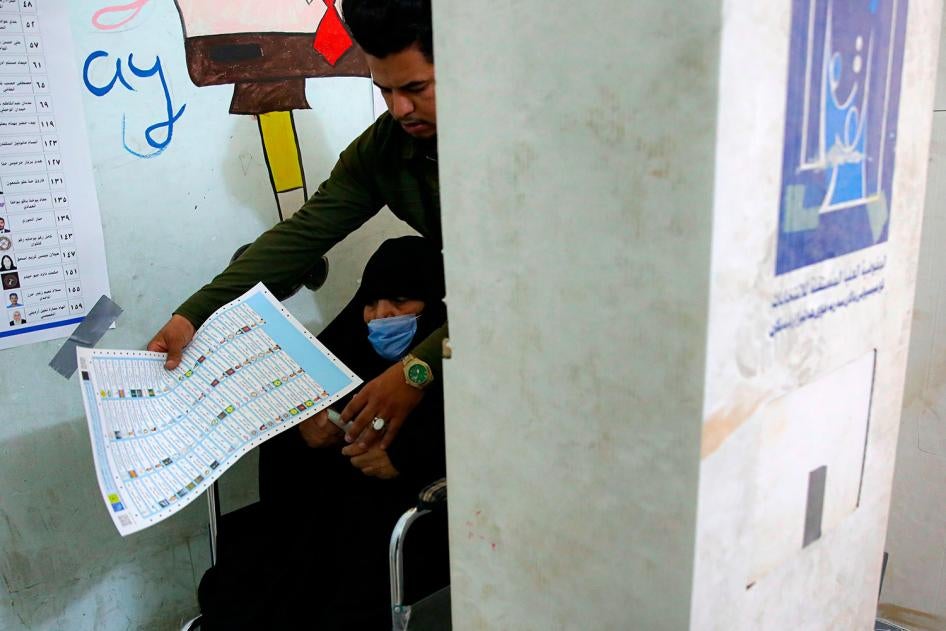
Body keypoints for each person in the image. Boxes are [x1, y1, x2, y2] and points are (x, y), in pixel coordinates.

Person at [148, 0, 443, 453]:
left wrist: (417, 369)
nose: (400, 108)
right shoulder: (385, 146)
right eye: (384, 90)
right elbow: (301, 237)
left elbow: (526, 291)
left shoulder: (519, 146)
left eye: (416, 87)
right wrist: (192, 315)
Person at [197, 236, 448, 630]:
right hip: (319, 523)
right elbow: (286, 436)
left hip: (408, 527)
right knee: (246, 576)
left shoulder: (461, 363)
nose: (381, 316)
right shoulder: (345, 348)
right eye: (371, 302)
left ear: (434, 301)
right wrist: (302, 427)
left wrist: (405, 459)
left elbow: (488, 450)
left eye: (400, 302)